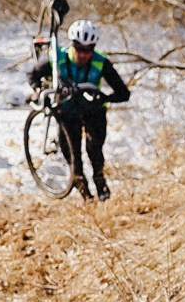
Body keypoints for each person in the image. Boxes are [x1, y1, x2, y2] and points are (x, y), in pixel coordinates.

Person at [25, 18, 129, 199]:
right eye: (80, 49)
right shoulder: (58, 58)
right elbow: (33, 75)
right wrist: (40, 91)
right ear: (73, 45)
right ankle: (82, 187)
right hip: (67, 111)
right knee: (72, 152)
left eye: (88, 50)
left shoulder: (101, 62)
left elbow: (123, 93)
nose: (83, 54)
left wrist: (104, 97)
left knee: (94, 147)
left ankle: (99, 179)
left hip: (93, 110)